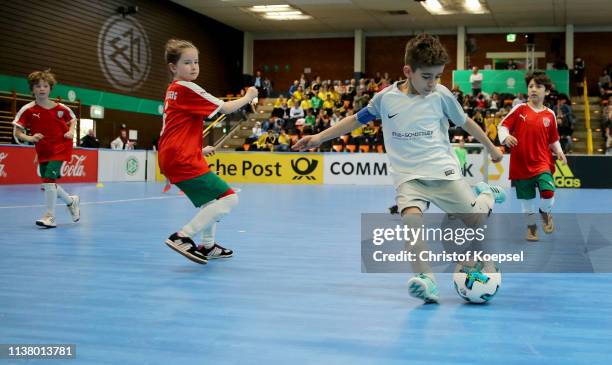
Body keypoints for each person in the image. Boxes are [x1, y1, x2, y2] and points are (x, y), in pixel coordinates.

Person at [293, 34, 505, 304]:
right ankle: (427, 280)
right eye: (427, 76)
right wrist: (319, 137)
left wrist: (491, 147)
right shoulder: (385, 99)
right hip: (408, 178)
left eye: (438, 76)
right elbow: (355, 121)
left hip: (442, 171)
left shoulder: (441, 95)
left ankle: (485, 193)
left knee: (476, 219)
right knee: (411, 222)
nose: (433, 83)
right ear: (408, 71)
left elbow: (466, 123)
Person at [158, 39, 258, 264]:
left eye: (196, 62)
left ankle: (208, 246)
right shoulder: (187, 87)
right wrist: (249, 96)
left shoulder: (173, 90)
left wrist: (198, 150)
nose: (194, 67)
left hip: (175, 154)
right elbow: (226, 108)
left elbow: (175, 129)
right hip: (181, 157)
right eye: (187, 62)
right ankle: (182, 236)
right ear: (173, 67)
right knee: (229, 198)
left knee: (211, 201)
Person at [498, 71, 566, 242]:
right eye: (530, 86)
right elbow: (502, 126)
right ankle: (531, 228)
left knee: (548, 192)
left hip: (542, 161)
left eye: (538, 86)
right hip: (521, 163)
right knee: (527, 202)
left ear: (547, 91)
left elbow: (553, 139)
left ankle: (545, 212)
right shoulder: (519, 109)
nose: (533, 89)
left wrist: (559, 151)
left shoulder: (550, 114)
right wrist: (505, 137)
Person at [12, 69, 80, 228]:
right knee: (48, 183)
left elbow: (73, 119)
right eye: (37, 86)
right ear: (32, 89)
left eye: (45, 86)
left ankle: (50, 217)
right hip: (43, 150)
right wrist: (30, 138)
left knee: (49, 179)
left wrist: (70, 131)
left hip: (61, 147)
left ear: (50, 89)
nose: (42, 89)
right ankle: (71, 201)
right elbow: (18, 132)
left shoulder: (61, 108)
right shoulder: (28, 110)